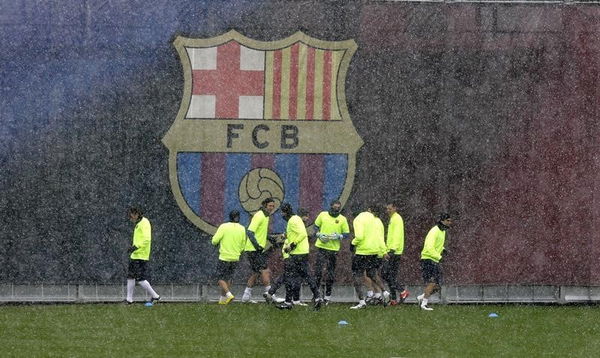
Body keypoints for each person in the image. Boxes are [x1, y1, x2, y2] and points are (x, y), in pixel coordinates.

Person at [276, 204, 323, 310]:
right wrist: (286, 235)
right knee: (306, 275)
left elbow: (302, 234)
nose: (281, 215)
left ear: (284, 212)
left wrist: (292, 245)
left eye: (282, 212)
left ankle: (288, 302)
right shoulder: (296, 219)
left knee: (289, 277)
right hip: (302, 252)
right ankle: (317, 297)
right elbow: (296, 233)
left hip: (297, 253)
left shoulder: (292, 220)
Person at [349, 204, 388, 309]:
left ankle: (362, 302)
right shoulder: (374, 219)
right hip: (375, 250)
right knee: (372, 273)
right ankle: (384, 292)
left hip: (363, 251)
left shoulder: (358, 219)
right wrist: (383, 250)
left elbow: (359, 236)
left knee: (357, 275)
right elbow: (379, 236)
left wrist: (353, 243)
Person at [313, 200, 350, 305]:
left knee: (330, 273)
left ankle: (327, 296)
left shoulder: (342, 219)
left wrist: (339, 236)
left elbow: (346, 233)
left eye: (338, 208)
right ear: (330, 206)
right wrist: (319, 234)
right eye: (334, 207)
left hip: (333, 249)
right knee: (318, 272)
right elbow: (315, 227)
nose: (336, 209)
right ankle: (316, 296)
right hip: (321, 247)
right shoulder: (322, 215)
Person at [242, 198, 276, 303]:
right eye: (270, 205)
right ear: (265, 205)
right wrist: (257, 246)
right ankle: (271, 295)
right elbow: (250, 232)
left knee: (256, 272)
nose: (272, 208)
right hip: (253, 250)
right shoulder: (259, 215)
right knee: (265, 271)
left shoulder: (266, 216)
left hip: (255, 250)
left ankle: (246, 297)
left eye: (273, 206)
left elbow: (260, 232)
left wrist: (270, 238)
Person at [417, 213, 453, 311]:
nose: (450, 222)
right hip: (428, 259)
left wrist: (443, 249)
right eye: (448, 220)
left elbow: (438, 244)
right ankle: (424, 304)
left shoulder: (443, 231)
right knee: (432, 282)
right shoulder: (434, 231)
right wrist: (439, 256)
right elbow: (429, 247)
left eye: (450, 220)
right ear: (442, 221)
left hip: (434, 259)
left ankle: (421, 298)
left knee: (439, 285)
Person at [125, 207, 160, 304]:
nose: (130, 218)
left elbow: (147, 239)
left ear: (136, 214)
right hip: (135, 255)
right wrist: (134, 248)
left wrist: (136, 247)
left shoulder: (144, 223)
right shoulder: (139, 223)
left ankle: (155, 296)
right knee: (130, 277)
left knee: (140, 279)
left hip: (141, 255)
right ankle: (129, 299)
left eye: (131, 215)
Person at [211, 210, 246, 305]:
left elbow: (214, 240)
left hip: (224, 257)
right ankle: (223, 300)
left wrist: (216, 242)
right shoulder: (242, 228)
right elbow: (243, 244)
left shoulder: (224, 226)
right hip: (235, 257)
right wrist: (238, 251)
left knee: (220, 278)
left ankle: (229, 294)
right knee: (228, 278)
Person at [382, 202, 409, 305]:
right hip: (393, 250)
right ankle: (393, 299)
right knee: (391, 275)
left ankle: (402, 291)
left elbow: (397, 235)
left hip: (394, 251)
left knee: (385, 273)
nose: (388, 210)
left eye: (390, 209)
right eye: (387, 209)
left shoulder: (396, 219)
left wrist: (392, 249)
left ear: (395, 208)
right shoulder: (393, 218)